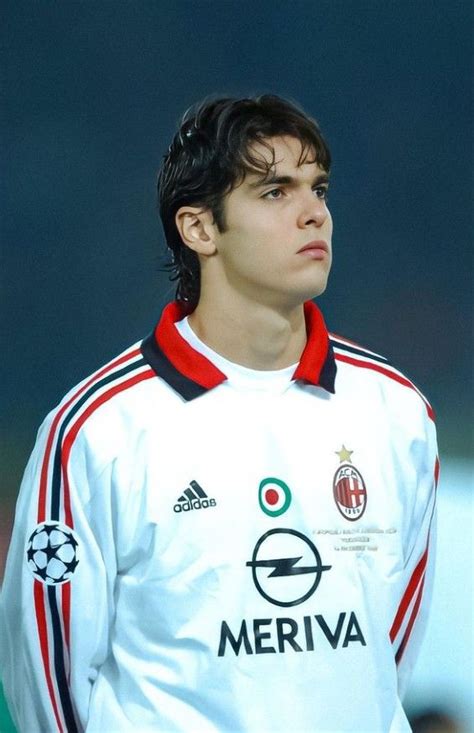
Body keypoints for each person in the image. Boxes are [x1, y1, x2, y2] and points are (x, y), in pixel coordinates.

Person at [0, 95, 438, 732]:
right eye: (274, 192)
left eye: (319, 189)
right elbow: (47, 675)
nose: (314, 213)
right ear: (199, 228)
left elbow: (382, 658)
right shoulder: (96, 432)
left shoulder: (398, 414)